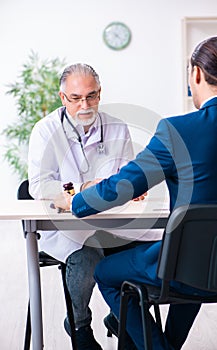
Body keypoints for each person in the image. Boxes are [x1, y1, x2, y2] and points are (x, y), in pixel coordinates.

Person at [54, 36, 217, 350]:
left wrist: (76, 202)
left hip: (189, 267)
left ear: (195, 75)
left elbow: (122, 186)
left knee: (107, 271)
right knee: (191, 264)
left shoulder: (178, 130)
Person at [28, 63, 136, 349]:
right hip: (66, 225)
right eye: (75, 98)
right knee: (88, 257)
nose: (84, 105)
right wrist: (84, 190)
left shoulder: (117, 127)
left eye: (91, 96)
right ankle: (78, 323)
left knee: (139, 252)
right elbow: (38, 185)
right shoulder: (45, 131)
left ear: (100, 94)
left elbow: (127, 178)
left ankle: (122, 318)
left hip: (113, 221)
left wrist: (130, 189)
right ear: (63, 98)